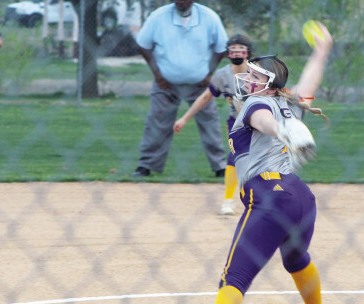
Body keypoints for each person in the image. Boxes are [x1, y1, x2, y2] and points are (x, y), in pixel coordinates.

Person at [215, 22, 333, 304]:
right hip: (300, 198)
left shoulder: (256, 103)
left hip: (269, 197)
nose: (247, 78)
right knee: (296, 260)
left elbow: (262, 120)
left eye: (255, 77)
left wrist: (281, 131)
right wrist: (322, 50)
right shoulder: (290, 104)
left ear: (269, 86)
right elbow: (309, 82)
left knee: (233, 279)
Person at [132, 0, 228, 178]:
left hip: (200, 84)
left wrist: (210, 75)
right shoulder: (158, 17)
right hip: (166, 83)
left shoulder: (209, 17)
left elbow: (221, 47)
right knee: (157, 122)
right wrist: (158, 75)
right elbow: (143, 44)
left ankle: (220, 167)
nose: (181, 2)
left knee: (210, 123)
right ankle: (145, 166)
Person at [173, 34, 253, 215]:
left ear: (248, 51)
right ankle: (228, 201)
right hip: (237, 123)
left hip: (262, 120)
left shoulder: (258, 72)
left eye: (241, 48)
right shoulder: (222, 75)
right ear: (228, 53)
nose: (236, 52)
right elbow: (206, 97)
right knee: (235, 157)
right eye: (232, 49)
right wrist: (184, 118)